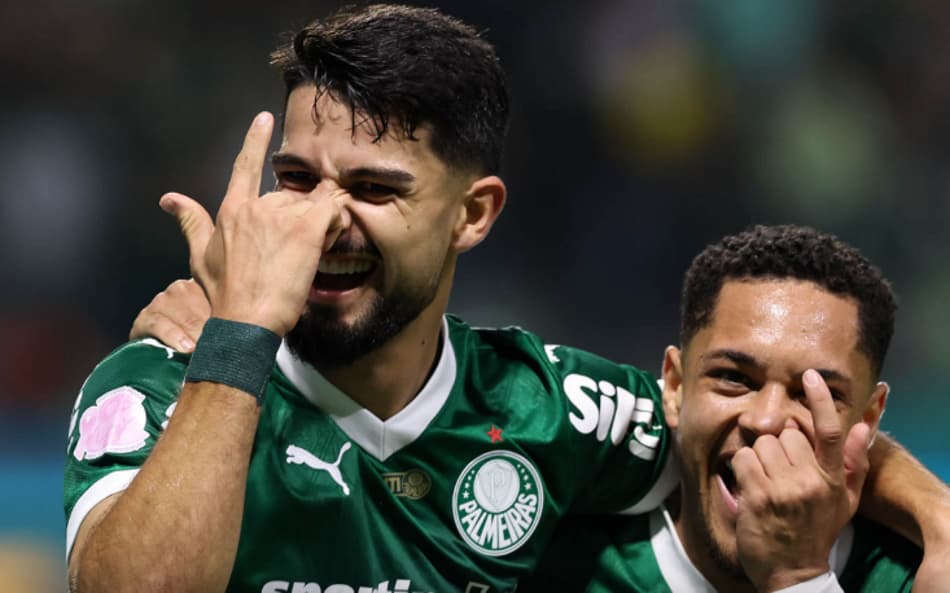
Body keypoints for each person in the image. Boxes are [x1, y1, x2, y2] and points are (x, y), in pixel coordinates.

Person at [65, 5, 950, 593]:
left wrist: (938, 516)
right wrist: (238, 339)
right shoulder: (163, 381)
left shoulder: (559, 409)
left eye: (373, 189)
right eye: (296, 180)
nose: (320, 223)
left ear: (473, 214)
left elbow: (763, 426)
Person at [522, 225, 922, 592]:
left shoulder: (919, 578)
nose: (766, 420)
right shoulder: (545, 559)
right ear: (674, 387)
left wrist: (799, 577)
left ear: (869, 418)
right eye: (733, 377)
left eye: (812, 394)